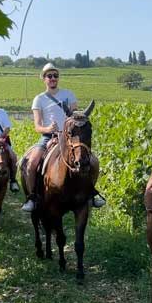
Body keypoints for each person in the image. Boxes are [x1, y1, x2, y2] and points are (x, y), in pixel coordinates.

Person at [20, 62, 107, 212]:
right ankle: (32, 197)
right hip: (49, 136)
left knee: (93, 161)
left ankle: (91, 193)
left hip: (69, 137)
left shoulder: (69, 95)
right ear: (44, 79)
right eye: (49, 76)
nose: (53, 78)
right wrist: (48, 128)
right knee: (32, 162)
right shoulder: (39, 99)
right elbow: (37, 126)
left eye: (55, 75)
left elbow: (75, 117)